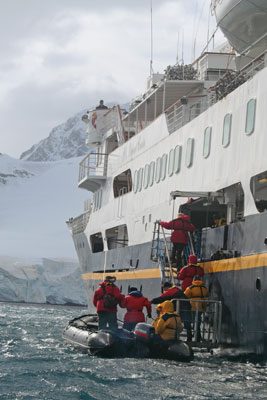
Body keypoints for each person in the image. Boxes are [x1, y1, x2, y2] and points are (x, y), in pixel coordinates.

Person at [184, 275, 209, 341]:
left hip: (191, 307)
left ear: (193, 280)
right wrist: (204, 308)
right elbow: (205, 299)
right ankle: (198, 337)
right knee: (197, 322)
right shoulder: (204, 288)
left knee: (188, 322)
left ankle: (189, 337)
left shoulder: (190, 288)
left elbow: (185, 297)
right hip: (200, 308)